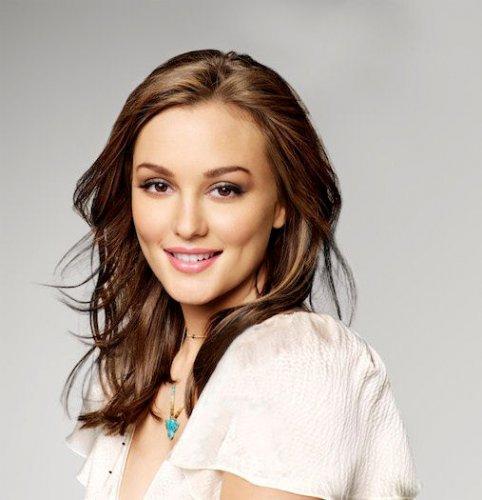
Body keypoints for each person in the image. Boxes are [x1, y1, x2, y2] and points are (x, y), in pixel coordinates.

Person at [60, 49, 423, 499]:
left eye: (224, 190)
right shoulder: (133, 374)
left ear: (282, 202)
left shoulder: (296, 359)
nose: (187, 224)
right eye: (158, 185)